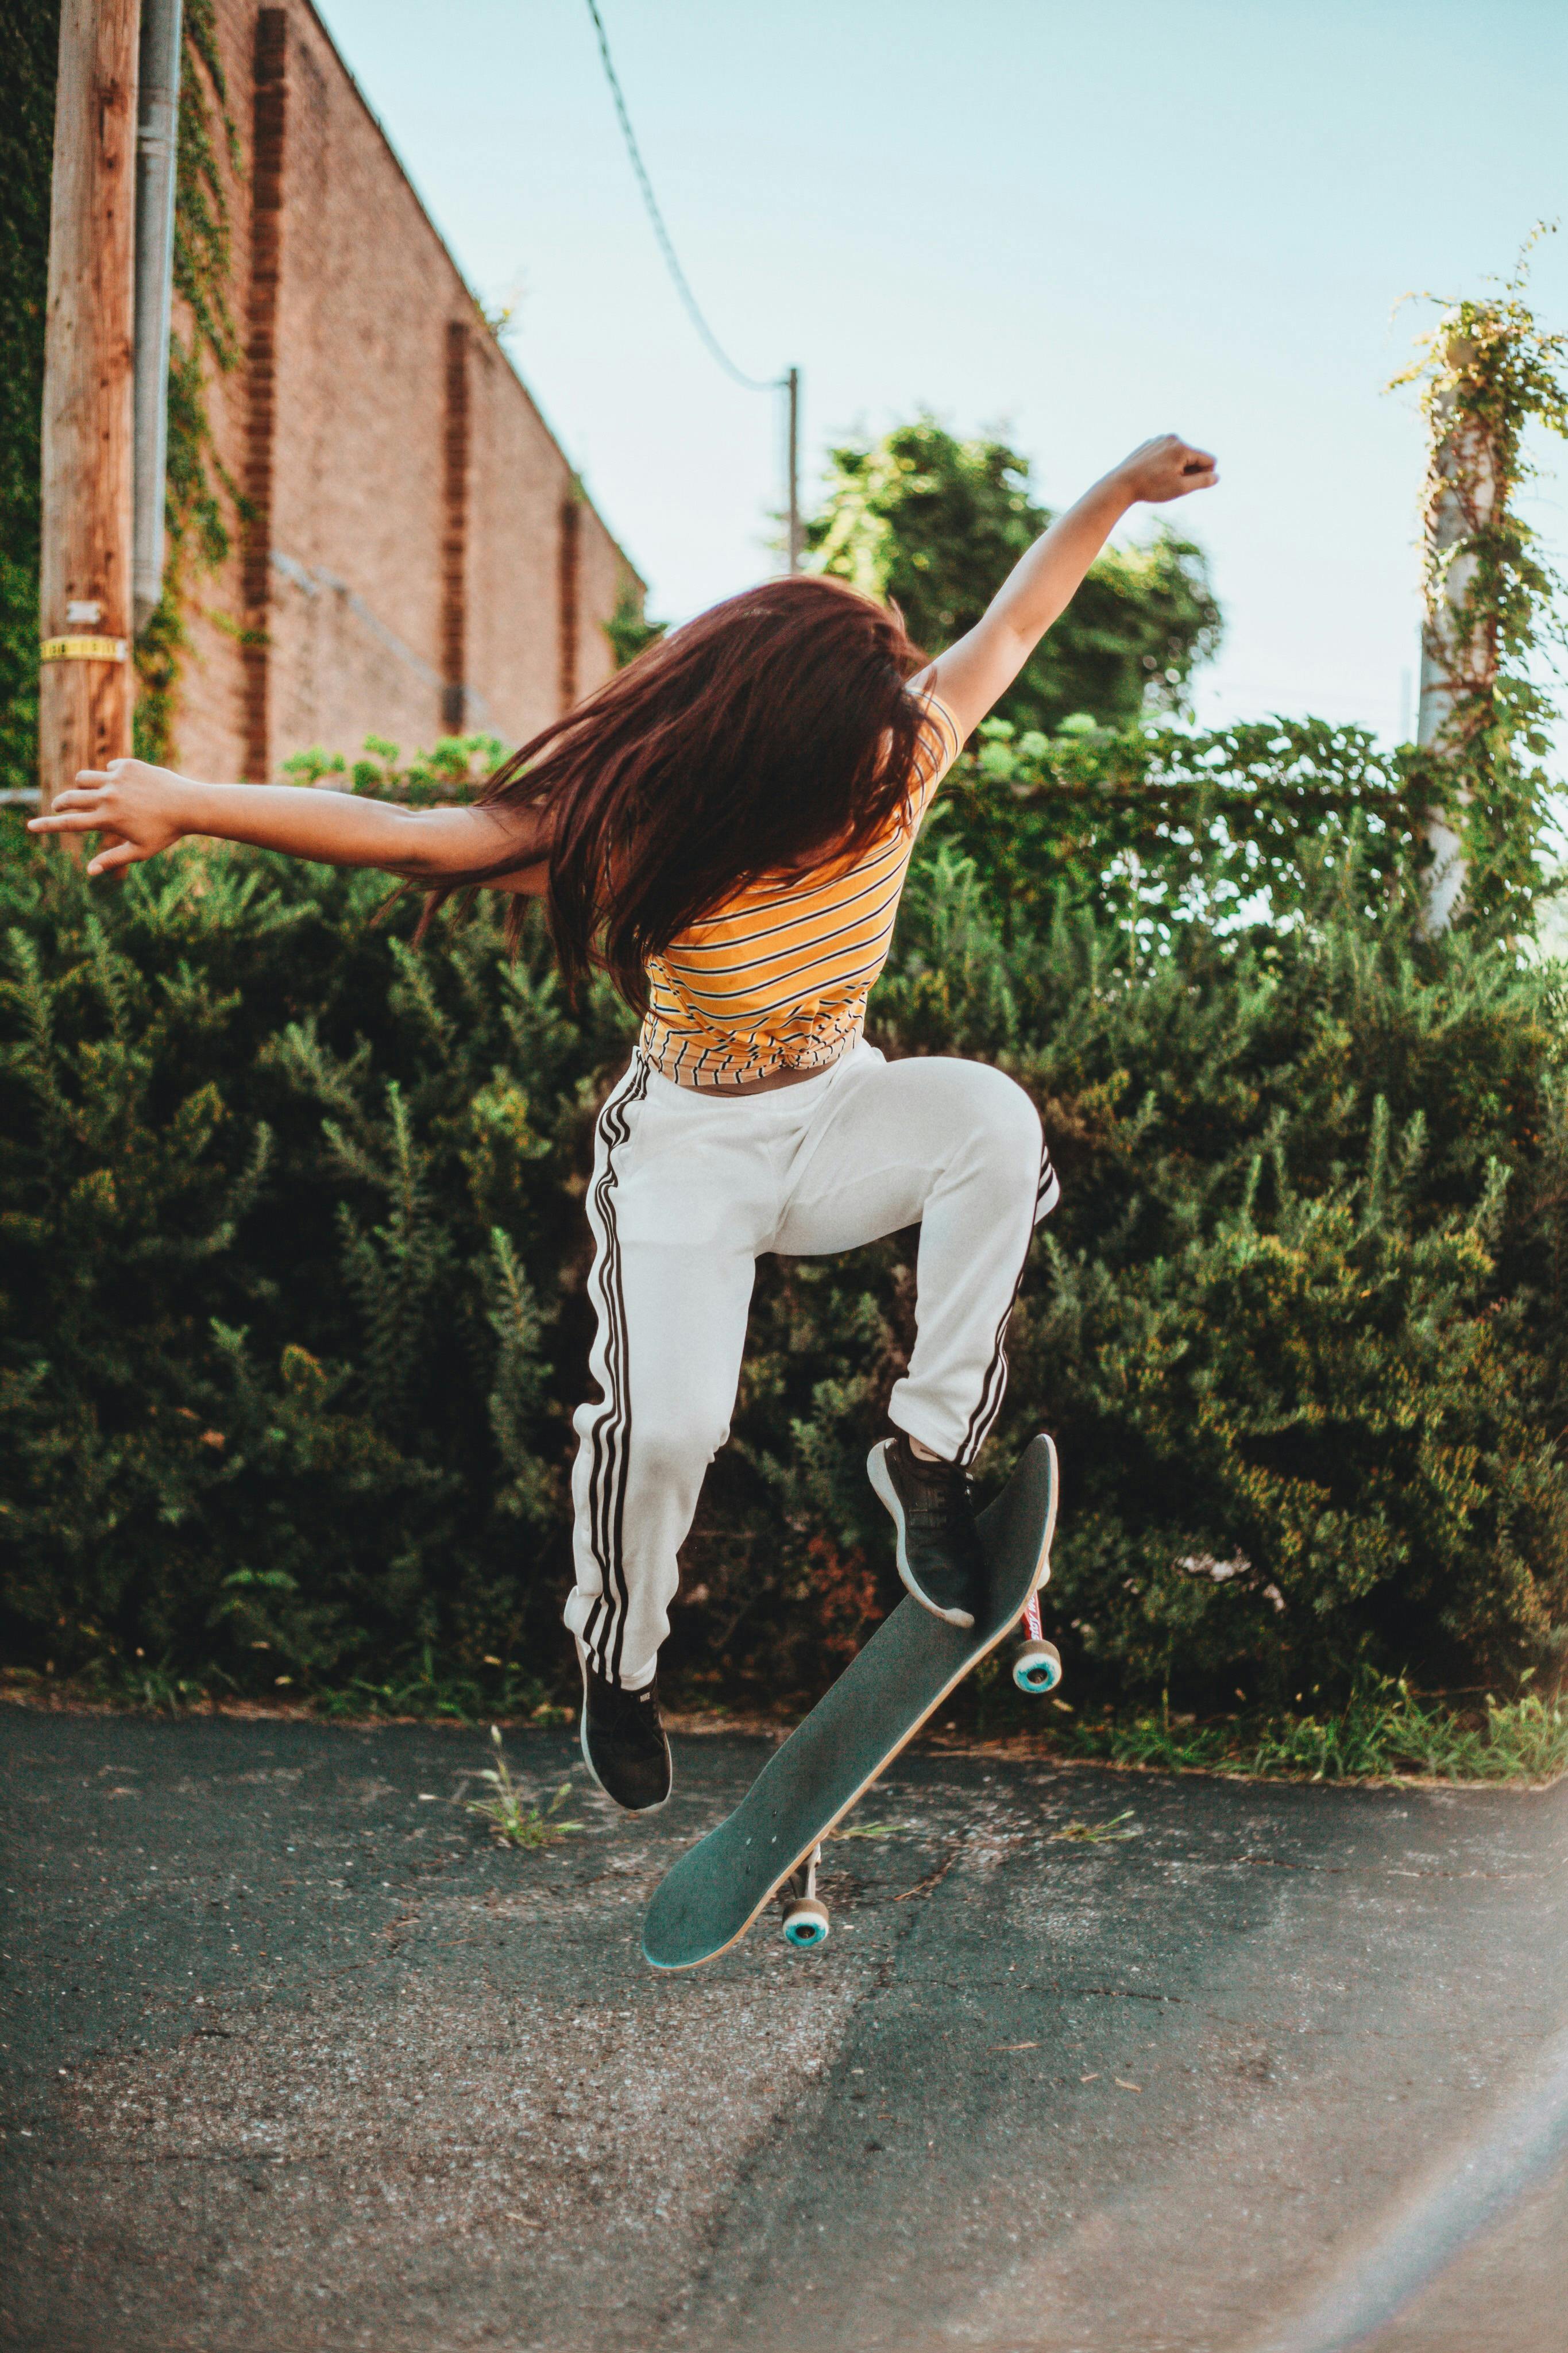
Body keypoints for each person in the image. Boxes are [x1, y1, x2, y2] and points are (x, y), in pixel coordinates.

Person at [31, 431, 1216, 1812]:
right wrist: (192, 802)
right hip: (688, 1159)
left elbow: (1017, 616)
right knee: (668, 1434)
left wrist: (1119, 492)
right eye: (841, 785)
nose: (873, 798)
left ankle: (929, 1453)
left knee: (994, 1122)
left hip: (837, 1120)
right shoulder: (642, 824)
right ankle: (622, 1654)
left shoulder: (907, 755)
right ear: (769, 764)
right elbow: (418, 831)